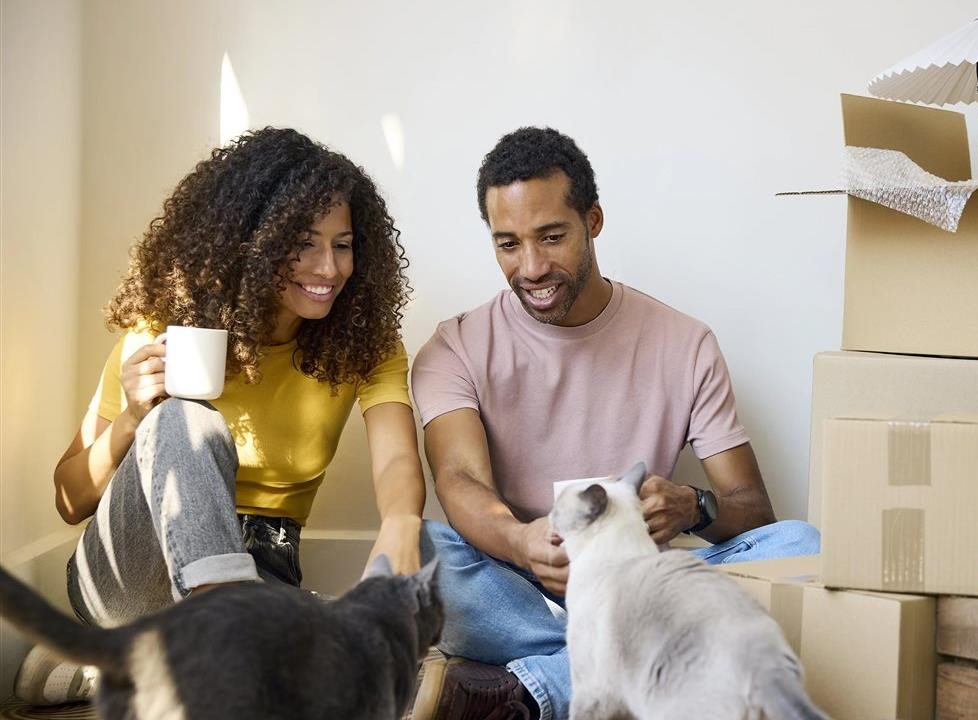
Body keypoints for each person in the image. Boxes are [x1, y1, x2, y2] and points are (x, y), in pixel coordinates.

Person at [411, 127, 819, 720]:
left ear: (593, 221)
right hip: (528, 585)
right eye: (508, 244)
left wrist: (693, 506)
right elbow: (458, 482)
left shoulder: (685, 343)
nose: (531, 266)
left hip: (647, 585)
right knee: (424, 554)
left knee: (804, 548)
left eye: (551, 237)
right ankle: (668, 662)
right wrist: (523, 544)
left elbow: (752, 506)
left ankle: (529, 688)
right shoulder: (455, 346)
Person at [17, 128, 431, 703]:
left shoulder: (366, 343)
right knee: (185, 420)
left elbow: (396, 462)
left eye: (343, 244)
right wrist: (132, 418)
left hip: (264, 564)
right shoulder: (164, 333)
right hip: (133, 572)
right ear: (249, 243)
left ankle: (133, 670)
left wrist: (402, 524)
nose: (328, 267)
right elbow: (68, 501)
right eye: (303, 243)